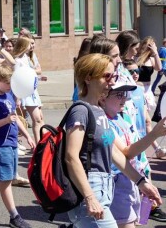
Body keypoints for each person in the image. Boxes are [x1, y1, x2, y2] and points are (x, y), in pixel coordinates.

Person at [64, 53, 161, 227]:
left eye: (113, 76)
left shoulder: (99, 112)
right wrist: (90, 197)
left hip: (103, 190)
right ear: (88, 78)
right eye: (107, 76)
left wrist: (140, 182)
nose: (112, 81)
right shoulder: (80, 111)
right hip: (89, 191)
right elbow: (71, 157)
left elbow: (115, 152)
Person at [100, 82, 166, 227]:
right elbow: (126, 153)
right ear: (103, 98)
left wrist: (144, 177)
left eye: (125, 94)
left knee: (135, 222)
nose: (124, 98)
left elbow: (138, 151)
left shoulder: (122, 118)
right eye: (118, 95)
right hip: (117, 182)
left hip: (132, 178)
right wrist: (155, 134)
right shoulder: (104, 123)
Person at [0, 64, 35, 228]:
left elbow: (15, 117)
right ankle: (14, 216)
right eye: (8, 83)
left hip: (11, 142)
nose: (11, 86)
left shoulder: (8, 95)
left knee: (6, 178)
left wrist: (27, 135)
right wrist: (5, 120)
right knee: (6, 179)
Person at [136, 36, 161, 112]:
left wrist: (156, 53)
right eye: (148, 47)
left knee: (146, 114)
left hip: (147, 89)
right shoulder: (135, 58)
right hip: (137, 87)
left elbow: (159, 68)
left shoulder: (151, 59)